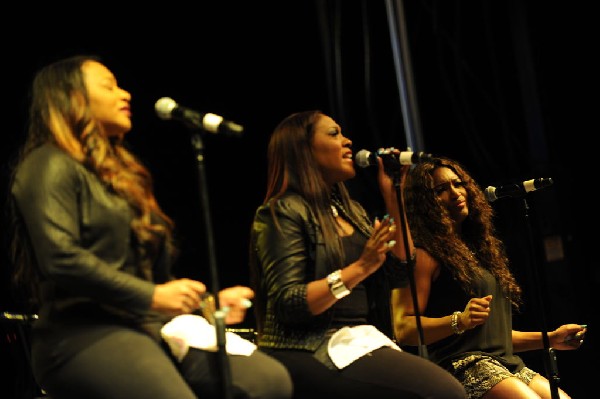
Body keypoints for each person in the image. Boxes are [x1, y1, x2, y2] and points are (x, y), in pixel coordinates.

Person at [7, 54, 293, 399]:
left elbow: (148, 277)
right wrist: (153, 297)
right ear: (72, 98)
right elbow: (61, 260)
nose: (125, 94)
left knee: (269, 381)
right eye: (108, 86)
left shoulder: (121, 178)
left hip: (148, 326)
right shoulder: (47, 163)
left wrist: (204, 303)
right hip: (82, 332)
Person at [248, 110, 467, 398]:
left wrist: (393, 197)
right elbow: (290, 303)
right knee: (442, 393)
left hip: (358, 337)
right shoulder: (282, 211)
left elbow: (400, 272)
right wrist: (361, 266)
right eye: (334, 133)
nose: (348, 141)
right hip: (309, 345)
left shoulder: (352, 211)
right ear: (303, 149)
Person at [391, 156, 586, 399]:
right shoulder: (424, 254)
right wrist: (459, 320)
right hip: (462, 366)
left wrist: (550, 339)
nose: (455, 193)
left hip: (506, 364)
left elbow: (495, 337)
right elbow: (404, 328)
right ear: (424, 202)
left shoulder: (479, 251)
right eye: (441, 189)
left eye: (458, 184)